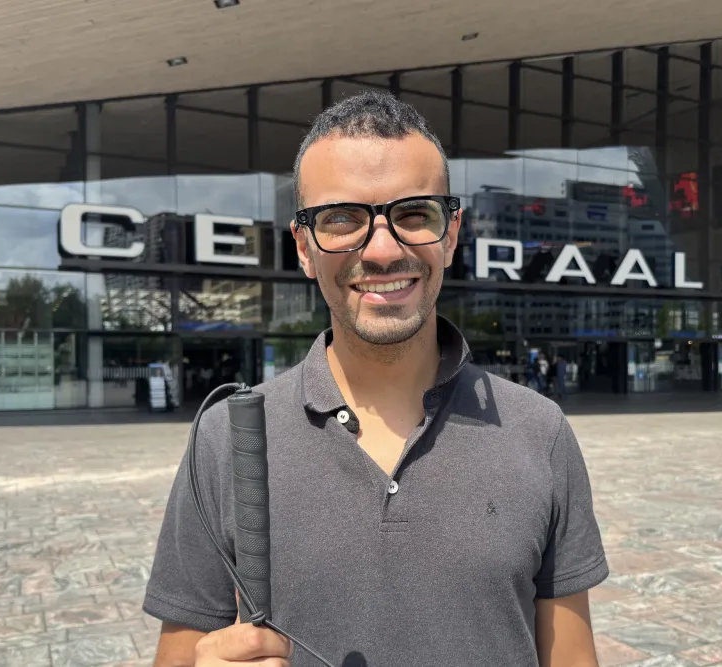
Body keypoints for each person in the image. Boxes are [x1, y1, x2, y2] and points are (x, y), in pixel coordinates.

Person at [144, 90, 607, 667]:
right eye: (341, 218)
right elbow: (179, 654)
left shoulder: (540, 431)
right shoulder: (226, 439)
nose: (384, 251)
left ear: (451, 233)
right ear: (304, 247)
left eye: (415, 214)